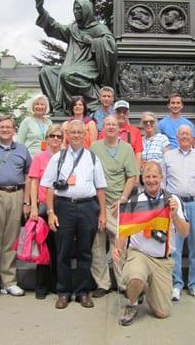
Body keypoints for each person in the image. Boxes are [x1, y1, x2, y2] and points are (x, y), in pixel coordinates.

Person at [112, 161, 190, 326]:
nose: (151, 180)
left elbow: (185, 232)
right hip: (138, 253)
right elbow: (124, 230)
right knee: (135, 277)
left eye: (155, 176)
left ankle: (146, 287)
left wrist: (175, 216)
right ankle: (132, 303)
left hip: (161, 260)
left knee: (162, 313)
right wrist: (117, 248)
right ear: (142, 178)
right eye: (147, 177)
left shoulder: (173, 200)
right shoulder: (135, 201)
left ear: (161, 178)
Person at [40, 120, 107, 309]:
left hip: (87, 207)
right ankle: (63, 292)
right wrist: (51, 212)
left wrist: (102, 213)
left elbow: (101, 188)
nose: (76, 135)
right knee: (63, 251)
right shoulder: (58, 158)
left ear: (85, 134)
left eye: (80, 132)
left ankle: (83, 292)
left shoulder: (92, 158)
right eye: (73, 132)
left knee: (85, 252)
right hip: (63, 207)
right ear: (67, 134)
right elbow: (50, 188)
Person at [35, 0, 117, 115]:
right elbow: (55, 27)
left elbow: (111, 46)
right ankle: (58, 108)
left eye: (79, 9)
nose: (76, 11)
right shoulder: (73, 29)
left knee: (67, 75)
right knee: (45, 72)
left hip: (90, 66)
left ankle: (94, 101)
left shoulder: (98, 28)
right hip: (74, 66)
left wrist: (93, 42)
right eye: (74, 9)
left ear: (87, 10)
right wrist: (41, 10)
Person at [0, 115, 32, 298]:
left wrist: (26, 202)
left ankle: (9, 281)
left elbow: (28, 176)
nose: (5, 130)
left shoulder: (22, 149)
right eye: (1, 127)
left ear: (14, 130)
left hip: (16, 194)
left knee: (12, 239)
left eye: (8, 127)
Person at [162, 125, 195, 301]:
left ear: (192, 137)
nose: (184, 136)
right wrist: (165, 204)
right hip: (175, 204)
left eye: (187, 134)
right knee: (175, 247)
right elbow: (163, 182)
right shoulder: (168, 156)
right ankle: (176, 285)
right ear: (177, 136)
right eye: (181, 134)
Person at [90, 116, 139, 297]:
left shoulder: (126, 148)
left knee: (119, 244)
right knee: (97, 245)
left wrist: (123, 198)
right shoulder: (95, 147)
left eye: (114, 124)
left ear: (119, 129)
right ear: (103, 128)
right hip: (97, 203)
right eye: (107, 124)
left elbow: (132, 176)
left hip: (118, 205)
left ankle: (123, 284)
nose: (111, 127)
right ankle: (102, 284)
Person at [27, 124, 63, 299]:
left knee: (58, 248)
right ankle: (41, 285)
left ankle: (56, 284)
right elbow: (33, 182)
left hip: (60, 206)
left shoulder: (66, 157)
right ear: (47, 139)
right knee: (43, 248)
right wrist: (33, 206)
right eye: (52, 136)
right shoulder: (40, 158)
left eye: (58, 136)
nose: (55, 139)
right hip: (42, 207)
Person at [99, 100, 143, 166]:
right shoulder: (105, 132)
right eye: (119, 112)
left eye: (124, 112)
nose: (121, 114)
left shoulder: (135, 132)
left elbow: (138, 153)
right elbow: (100, 153)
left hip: (129, 168)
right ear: (114, 113)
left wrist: (136, 172)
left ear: (128, 114)